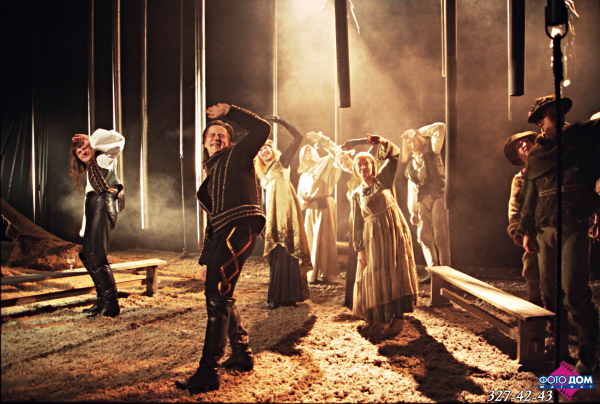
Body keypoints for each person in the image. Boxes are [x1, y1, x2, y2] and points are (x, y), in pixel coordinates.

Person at [175, 103, 270, 393]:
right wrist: (206, 260)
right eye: (212, 135)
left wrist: (229, 111)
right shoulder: (210, 175)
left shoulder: (238, 155)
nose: (216, 138)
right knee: (218, 294)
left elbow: (262, 129)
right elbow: (212, 223)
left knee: (218, 297)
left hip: (239, 228)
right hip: (222, 234)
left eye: (222, 135)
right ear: (205, 144)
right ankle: (242, 354)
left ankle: (208, 372)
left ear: (229, 142)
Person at [515, 95, 600, 375]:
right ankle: (560, 354)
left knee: (574, 291)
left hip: (573, 223)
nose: (557, 114)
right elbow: (530, 195)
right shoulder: (537, 155)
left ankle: (588, 354)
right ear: (540, 122)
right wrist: (526, 230)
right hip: (545, 227)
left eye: (559, 110)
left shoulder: (580, 139)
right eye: (551, 112)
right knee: (550, 294)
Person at [351, 133, 419, 337]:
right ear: (356, 170)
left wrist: (381, 141)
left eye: (366, 163)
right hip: (372, 238)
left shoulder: (384, 179)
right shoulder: (356, 194)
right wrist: (360, 249)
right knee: (375, 275)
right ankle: (378, 317)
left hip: (392, 232)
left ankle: (398, 319)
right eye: (359, 165)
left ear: (373, 166)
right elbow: (357, 223)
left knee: (395, 272)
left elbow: (395, 155)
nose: (363, 167)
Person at [254, 115, 311, 310]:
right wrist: (262, 223)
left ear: (272, 150)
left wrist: (281, 121)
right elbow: (264, 201)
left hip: (287, 216)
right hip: (272, 218)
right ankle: (277, 297)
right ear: (258, 156)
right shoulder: (264, 175)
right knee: (278, 255)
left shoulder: (282, 162)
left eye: (266, 148)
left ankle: (291, 296)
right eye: (260, 150)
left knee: (290, 252)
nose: (264, 151)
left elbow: (299, 138)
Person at [70, 129, 125, 318]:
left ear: (93, 147)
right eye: (79, 151)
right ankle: (102, 300)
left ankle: (111, 304)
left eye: (84, 147)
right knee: (87, 255)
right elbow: (90, 201)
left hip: (102, 206)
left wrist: (91, 139)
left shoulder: (103, 159)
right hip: (96, 208)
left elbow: (118, 141)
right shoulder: (90, 172)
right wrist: (85, 229)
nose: (82, 151)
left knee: (96, 256)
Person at [296, 131, 350, 284]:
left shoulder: (325, 163)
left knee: (326, 239)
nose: (308, 154)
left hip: (325, 206)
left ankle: (327, 273)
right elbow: (300, 194)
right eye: (305, 152)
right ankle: (312, 274)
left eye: (310, 151)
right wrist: (302, 199)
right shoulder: (304, 175)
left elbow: (336, 153)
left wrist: (323, 140)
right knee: (311, 239)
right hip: (311, 209)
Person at [401, 123, 451, 284]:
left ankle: (446, 273)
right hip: (423, 200)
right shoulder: (410, 166)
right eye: (409, 142)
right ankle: (433, 271)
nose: (412, 143)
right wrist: (413, 211)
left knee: (440, 235)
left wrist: (418, 131)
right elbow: (412, 189)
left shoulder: (432, 150)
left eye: (414, 140)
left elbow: (440, 128)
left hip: (437, 196)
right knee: (423, 236)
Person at [504, 131, 543, 306]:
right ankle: (536, 306)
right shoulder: (519, 178)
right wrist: (515, 229)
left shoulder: (550, 167)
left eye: (527, 141)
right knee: (532, 266)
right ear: (517, 155)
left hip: (555, 223)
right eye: (520, 145)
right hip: (532, 228)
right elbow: (514, 206)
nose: (525, 145)